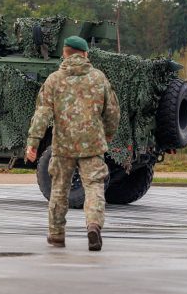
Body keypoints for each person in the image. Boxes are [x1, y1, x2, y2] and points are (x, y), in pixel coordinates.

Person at [25, 35, 120, 251]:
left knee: (59, 187)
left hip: (63, 145)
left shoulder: (54, 80)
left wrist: (33, 142)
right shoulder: (99, 78)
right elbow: (113, 111)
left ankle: (56, 235)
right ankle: (93, 225)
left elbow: (42, 113)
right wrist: (107, 135)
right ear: (85, 54)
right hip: (92, 144)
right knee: (94, 185)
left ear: (65, 53)